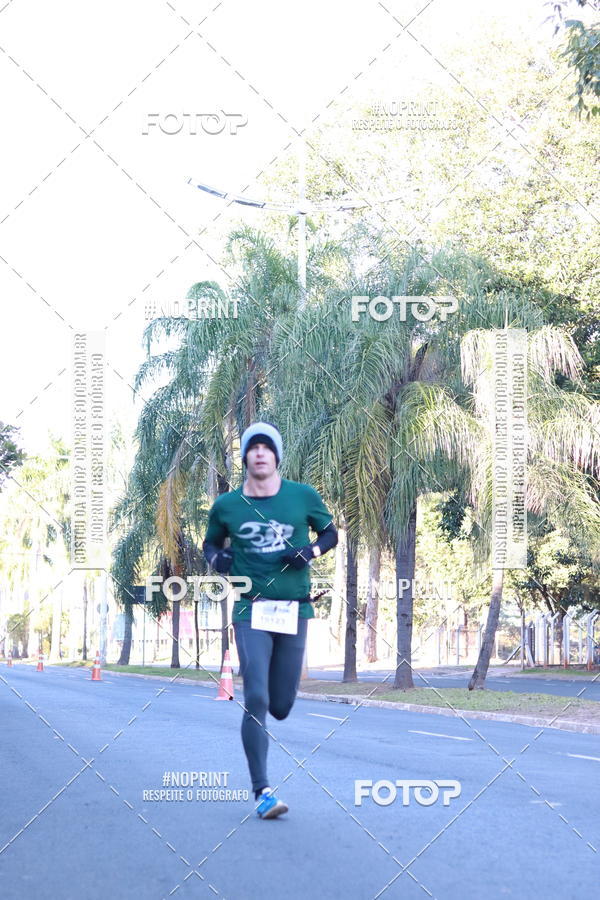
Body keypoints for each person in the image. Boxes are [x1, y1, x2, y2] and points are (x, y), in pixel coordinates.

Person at [203, 422, 338, 819]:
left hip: (294, 609)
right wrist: (217, 558)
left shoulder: (302, 496)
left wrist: (309, 552)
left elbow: (330, 534)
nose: (260, 453)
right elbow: (210, 542)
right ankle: (262, 791)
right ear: (245, 457)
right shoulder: (227, 505)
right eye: (253, 447)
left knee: (280, 705)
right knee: (257, 698)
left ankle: (272, 721)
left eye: (267, 447)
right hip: (251, 609)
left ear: (276, 456)